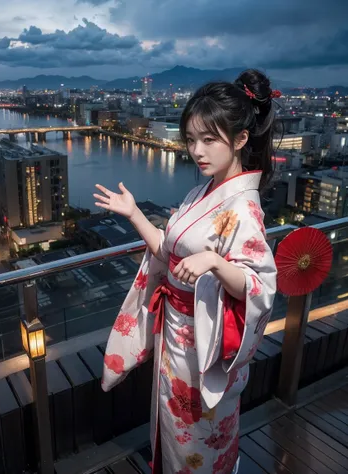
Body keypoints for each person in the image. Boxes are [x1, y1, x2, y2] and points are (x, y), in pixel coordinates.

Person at [95, 69, 278, 474]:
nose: (197, 151)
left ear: (241, 139)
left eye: (209, 139)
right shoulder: (203, 191)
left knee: (201, 433)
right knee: (174, 425)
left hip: (205, 347)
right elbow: (168, 250)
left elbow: (259, 287)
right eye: (192, 139)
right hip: (176, 336)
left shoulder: (244, 210)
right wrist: (134, 213)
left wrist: (216, 263)